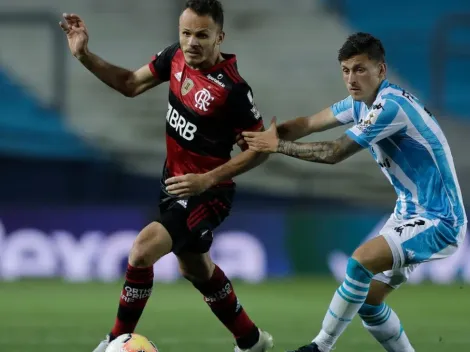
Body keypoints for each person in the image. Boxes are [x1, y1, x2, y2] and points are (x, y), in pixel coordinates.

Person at [59, 1, 274, 351]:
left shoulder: (233, 90)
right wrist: (84, 55)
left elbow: (261, 148)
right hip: (173, 183)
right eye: (186, 33)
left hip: (208, 192)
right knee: (196, 271)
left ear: (220, 37)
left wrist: (207, 179)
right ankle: (251, 341)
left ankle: (114, 343)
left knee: (142, 250)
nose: (192, 42)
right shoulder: (175, 58)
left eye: (202, 35)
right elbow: (129, 83)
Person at [242, 32, 467, 352]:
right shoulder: (359, 104)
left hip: (440, 219)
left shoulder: (390, 107)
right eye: (346, 70)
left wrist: (277, 145)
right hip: (408, 211)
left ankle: (320, 346)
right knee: (368, 302)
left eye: (360, 69)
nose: (351, 78)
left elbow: (335, 152)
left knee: (359, 264)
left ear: (382, 71)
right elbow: (308, 123)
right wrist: (260, 134)